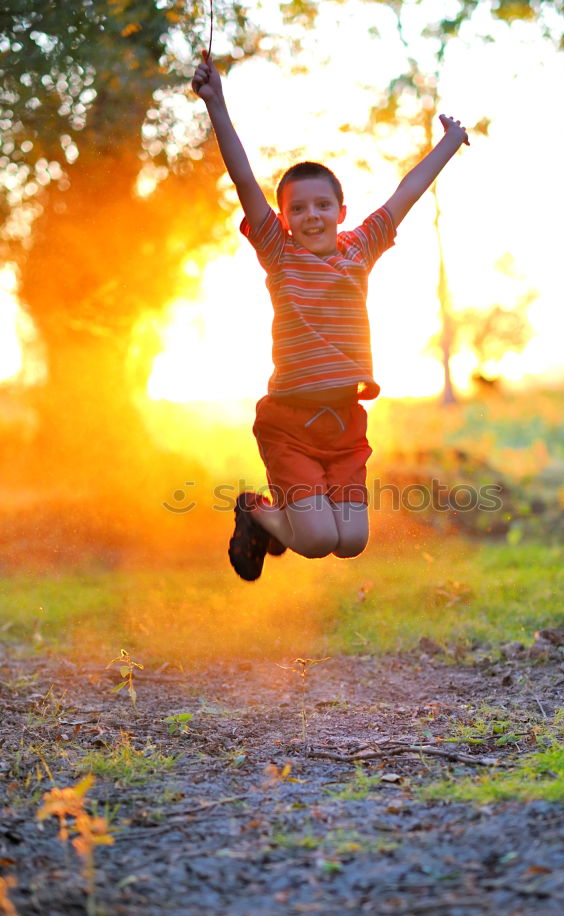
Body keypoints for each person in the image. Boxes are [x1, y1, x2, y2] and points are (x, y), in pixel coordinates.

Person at [192, 51, 469, 582]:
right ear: (285, 218)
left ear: (341, 212)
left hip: (344, 427)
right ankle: (258, 511)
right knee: (318, 541)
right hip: (290, 425)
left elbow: (406, 193)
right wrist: (216, 105)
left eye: (322, 206)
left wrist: (449, 145)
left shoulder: (359, 249)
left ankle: (271, 524)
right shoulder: (279, 252)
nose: (310, 215)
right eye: (297, 208)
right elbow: (245, 179)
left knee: (353, 542)